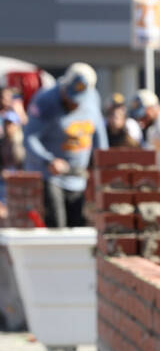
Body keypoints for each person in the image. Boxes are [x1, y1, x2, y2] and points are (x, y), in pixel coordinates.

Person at [23, 62, 108, 228]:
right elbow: (29, 138)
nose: (73, 103)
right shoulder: (45, 101)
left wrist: (102, 163)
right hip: (52, 177)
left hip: (79, 176)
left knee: (79, 226)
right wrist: (49, 160)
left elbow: (99, 134)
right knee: (58, 226)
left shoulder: (92, 98)